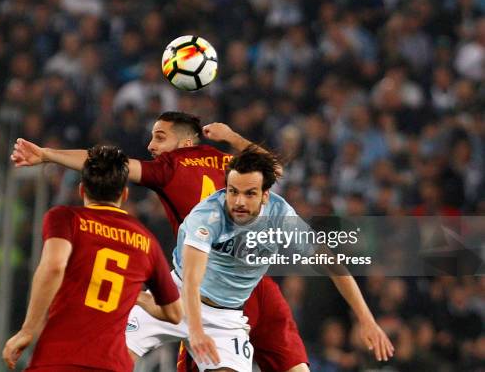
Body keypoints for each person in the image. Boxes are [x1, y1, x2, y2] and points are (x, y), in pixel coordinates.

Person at [11, 111, 311, 371]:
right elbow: (275, 168)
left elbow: (104, 163)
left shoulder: (170, 168)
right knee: (292, 364)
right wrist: (231, 136)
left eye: (159, 137)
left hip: (201, 286)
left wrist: (48, 154)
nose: (151, 146)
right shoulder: (228, 162)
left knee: (114, 350)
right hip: (248, 285)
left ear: (185, 143)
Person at [126, 147, 394, 371]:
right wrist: (195, 332)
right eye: (233, 191)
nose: (238, 201)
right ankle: (140, 298)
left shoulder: (281, 217)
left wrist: (367, 320)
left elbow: (333, 265)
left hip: (225, 318)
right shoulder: (206, 216)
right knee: (114, 358)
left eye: (249, 193)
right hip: (175, 299)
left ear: (266, 195)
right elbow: (193, 282)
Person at [2, 145, 182, 371]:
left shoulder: (66, 218)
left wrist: (28, 330)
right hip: (113, 364)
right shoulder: (146, 240)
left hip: (60, 359)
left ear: (81, 190)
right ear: (124, 195)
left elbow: (54, 266)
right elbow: (175, 313)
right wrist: (133, 296)